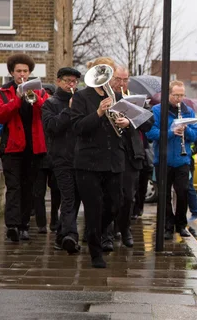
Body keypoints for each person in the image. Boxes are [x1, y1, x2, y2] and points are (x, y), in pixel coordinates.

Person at [71, 57, 129, 268]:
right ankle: (95, 252)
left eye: (110, 72)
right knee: (94, 207)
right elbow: (77, 127)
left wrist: (126, 121)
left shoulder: (118, 96)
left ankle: (93, 232)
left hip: (114, 160)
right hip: (88, 162)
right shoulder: (81, 97)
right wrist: (98, 112)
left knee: (115, 205)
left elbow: (135, 123)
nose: (108, 77)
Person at [0, 53, 49, 242]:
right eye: (18, 71)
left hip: (34, 148)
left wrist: (34, 98)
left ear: (30, 72)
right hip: (12, 148)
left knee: (29, 188)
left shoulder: (39, 91)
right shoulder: (2, 91)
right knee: (14, 188)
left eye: (25, 71)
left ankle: (24, 225)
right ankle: (13, 226)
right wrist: (17, 99)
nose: (22, 74)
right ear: (12, 72)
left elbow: (47, 111)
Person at [146, 80, 197, 240]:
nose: (178, 99)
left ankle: (181, 225)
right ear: (168, 94)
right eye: (175, 95)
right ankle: (167, 226)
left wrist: (186, 130)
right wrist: (171, 131)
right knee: (164, 196)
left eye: (181, 95)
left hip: (182, 160)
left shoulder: (188, 111)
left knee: (183, 193)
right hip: (163, 160)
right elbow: (151, 133)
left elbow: (196, 135)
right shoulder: (157, 110)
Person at [110, 66, 154, 248]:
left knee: (129, 196)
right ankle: (110, 230)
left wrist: (131, 120)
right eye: (118, 79)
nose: (121, 83)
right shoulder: (105, 97)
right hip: (110, 152)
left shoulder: (135, 99)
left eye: (125, 79)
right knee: (112, 196)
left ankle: (125, 228)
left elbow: (149, 123)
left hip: (131, 154)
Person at [42, 67, 82, 254]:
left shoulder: (81, 100)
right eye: (67, 81)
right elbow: (52, 127)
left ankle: (61, 236)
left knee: (75, 200)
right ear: (58, 81)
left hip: (81, 158)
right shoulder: (50, 103)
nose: (71, 84)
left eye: (74, 81)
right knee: (68, 198)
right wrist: (69, 110)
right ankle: (71, 236)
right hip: (61, 159)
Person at [33, 84, 60, 234]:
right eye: (45, 94)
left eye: (50, 94)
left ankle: (55, 220)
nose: (47, 97)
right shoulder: (37, 108)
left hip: (54, 155)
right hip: (39, 154)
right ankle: (41, 223)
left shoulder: (56, 109)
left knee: (56, 191)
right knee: (38, 192)